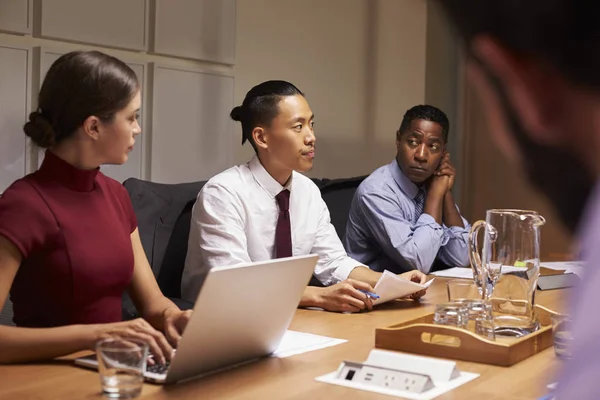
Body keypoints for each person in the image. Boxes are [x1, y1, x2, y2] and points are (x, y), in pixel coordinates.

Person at [437, 1, 599, 398]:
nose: (426, 152)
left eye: (435, 143)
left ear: (523, 86)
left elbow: (459, 249)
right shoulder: (376, 191)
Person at [0, 51, 190, 365]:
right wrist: (96, 336)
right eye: (131, 117)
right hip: (46, 378)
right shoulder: (21, 205)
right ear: (93, 127)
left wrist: (174, 316)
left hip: (114, 369)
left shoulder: (116, 195)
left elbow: (153, 302)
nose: (137, 129)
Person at [181, 80, 427, 313]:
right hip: (218, 321)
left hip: (287, 316)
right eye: (298, 127)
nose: (311, 137)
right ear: (261, 137)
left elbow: (334, 262)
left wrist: (394, 283)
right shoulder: (223, 193)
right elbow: (235, 284)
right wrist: (318, 296)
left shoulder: (307, 191)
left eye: (311, 124)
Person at [344, 105, 470, 274]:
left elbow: (462, 258)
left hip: (416, 292)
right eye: (413, 142)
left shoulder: (432, 183)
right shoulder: (376, 192)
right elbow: (418, 262)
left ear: (443, 152)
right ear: (398, 140)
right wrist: (435, 195)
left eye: (433, 146)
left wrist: (444, 191)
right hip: (373, 294)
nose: (421, 155)